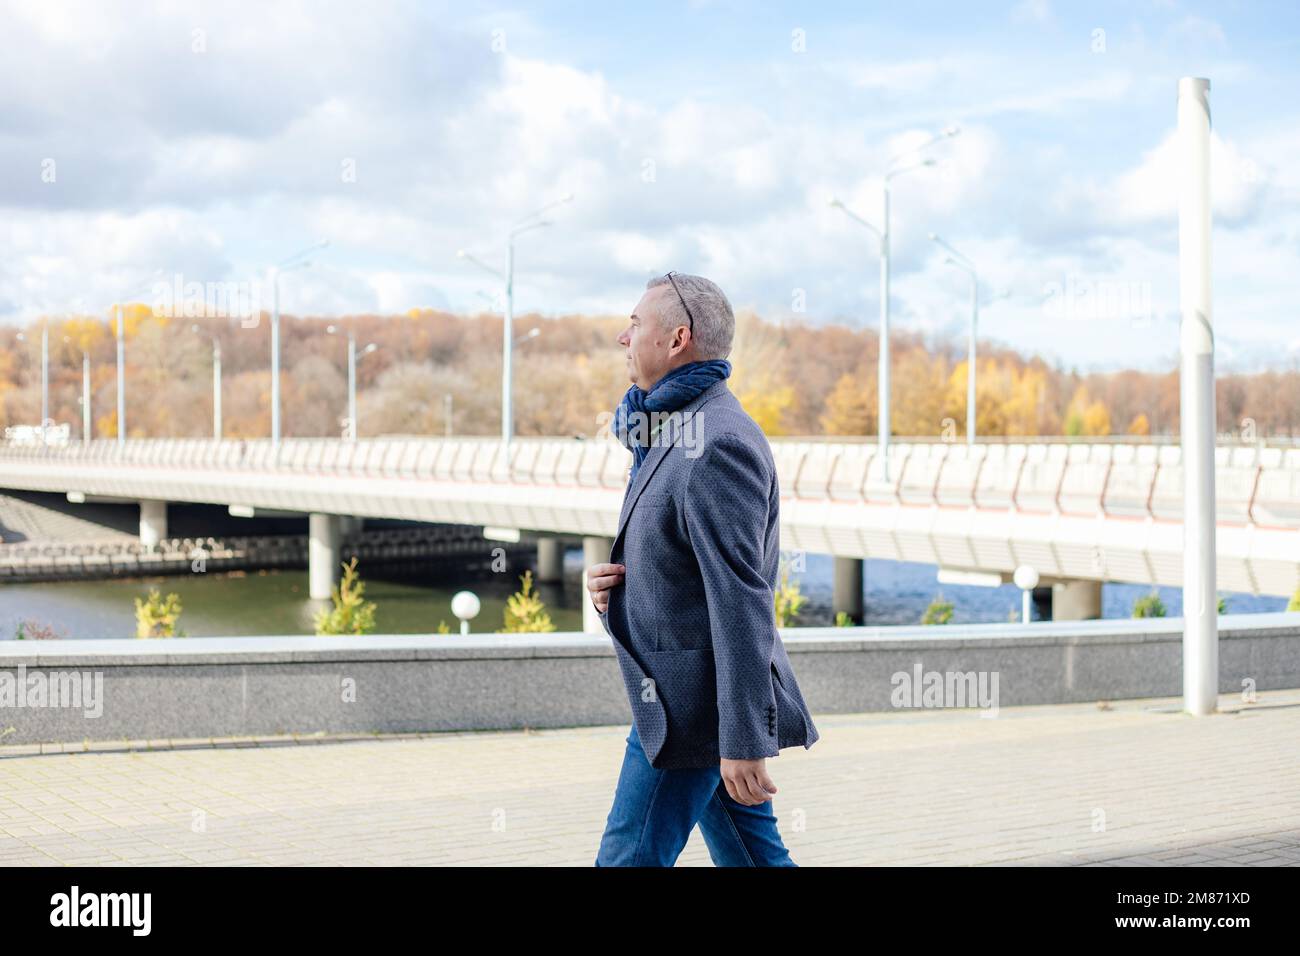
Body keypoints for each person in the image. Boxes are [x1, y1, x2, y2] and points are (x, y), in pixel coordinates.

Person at [588, 271, 820, 867]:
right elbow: (686, 559)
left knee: (626, 860)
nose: (622, 336)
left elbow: (740, 598)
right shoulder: (670, 429)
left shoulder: (716, 441)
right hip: (684, 700)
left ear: (677, 339)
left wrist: (742, 740)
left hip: (692, 712)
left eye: (636, 323)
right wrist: (619, 584)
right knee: (754, 859)